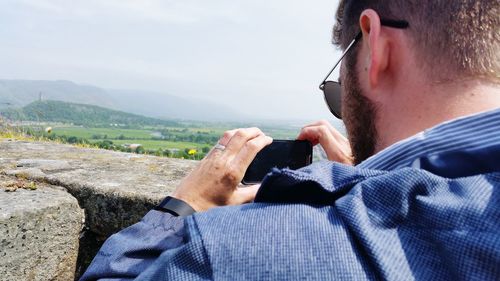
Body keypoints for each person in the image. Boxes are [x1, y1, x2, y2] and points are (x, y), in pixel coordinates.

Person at [81, 0, 499, 280]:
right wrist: (375, 179)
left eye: (338, 78)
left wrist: (184, 205)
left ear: (376, 48)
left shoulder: (234, 253)